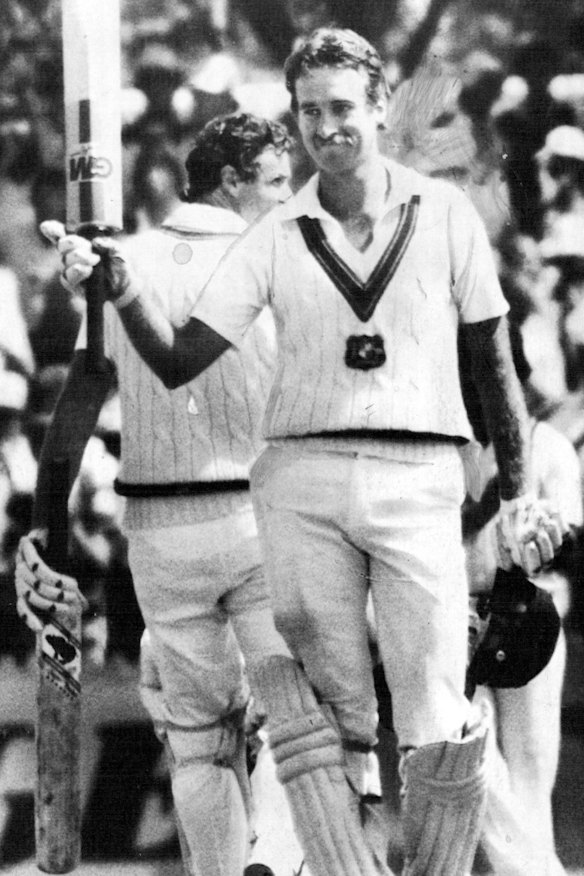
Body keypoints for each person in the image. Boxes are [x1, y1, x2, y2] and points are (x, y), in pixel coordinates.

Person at [35, 28, 566, 876]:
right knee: (325, 723)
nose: (324, 132)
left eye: (341, 108)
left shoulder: (431, 216)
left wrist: (512, 503)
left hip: (324, 498)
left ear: (381, 107)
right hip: (283, 501)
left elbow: (493, 367)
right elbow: (187, 359)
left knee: (380, 725)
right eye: (308, 115)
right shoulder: (273, 239)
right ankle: (305, 865)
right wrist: (124, 285)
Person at [15, 111, 295, 876]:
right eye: (276, 180)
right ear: (231, 181)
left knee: (199, 739)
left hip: (162, 532)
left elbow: (80, 397)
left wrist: (45, 526)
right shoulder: (278, 259)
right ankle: (272, 859)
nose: (288, 194)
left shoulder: (123, 261)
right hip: (258, 519)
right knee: (291, 722)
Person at [460, 328, 582, 876]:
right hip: (460, 617)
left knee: (530, 776)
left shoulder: (547, 447)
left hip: (528, 618)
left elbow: (573, 545)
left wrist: (543, 537)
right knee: (474, 771)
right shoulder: (445, 451)